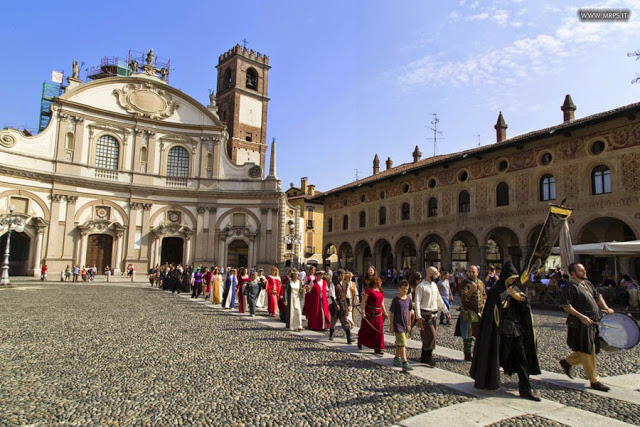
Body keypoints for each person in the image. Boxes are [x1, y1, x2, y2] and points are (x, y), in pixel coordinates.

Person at [470, 261, 542, 401]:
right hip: (500, 333)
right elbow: (493, 312)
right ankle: (487, 380)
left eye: (514, 278)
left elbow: (524, 307)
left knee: (522, 359)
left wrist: (517, 297)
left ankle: (525, 389)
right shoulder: (496, 290)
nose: (513, 281)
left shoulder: (515, 289)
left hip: (516, 331)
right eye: (511, 278)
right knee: (495, 358)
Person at [559, 263, 614, 392]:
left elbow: (598, 296)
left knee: (588, 349)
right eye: (581, 270)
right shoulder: (570, 287)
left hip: (593, 322)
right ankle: (594, 380)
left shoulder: (588, 284)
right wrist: (581, 316)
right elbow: (565, 305)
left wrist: (605, 308)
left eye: (584, 269)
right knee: (588, 351)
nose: (584, 272)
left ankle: (567, 362)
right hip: (580, 324)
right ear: (573, 273)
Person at [415, 267, 450, 366]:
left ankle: (424, 356)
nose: (437, 277)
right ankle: (428, 356)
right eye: (436, 275)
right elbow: (417, 302)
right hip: (425, 314)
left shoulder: (434, 285)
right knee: (432, 335)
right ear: (430, 273)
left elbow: (439, 299)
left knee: (428, 336)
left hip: (434, 314)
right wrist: (418, 316)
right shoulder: (421, 286)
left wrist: (446, 311)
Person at [455, 265, 486, 361]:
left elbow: (484, 295)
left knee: (479, 334)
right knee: (468, 335)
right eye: (469, 271)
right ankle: (467, 355)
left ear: (477, 273)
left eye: (473, 272)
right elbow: (463, 296)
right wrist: (471, 290)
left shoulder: (481, 283)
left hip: (479, 312)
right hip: (468, 312)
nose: (471, 273)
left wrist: (484, 303)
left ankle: (478, 353)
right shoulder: (464, 283)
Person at [358, 270, 388, 354]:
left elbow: (382, 303)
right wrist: (363, 312)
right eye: (379, 282)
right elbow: (363, 302)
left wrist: (385, 312)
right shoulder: (368, 290)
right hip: (369, 312)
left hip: (378, 313)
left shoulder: (380, 291)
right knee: (366, 329)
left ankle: (378, 347)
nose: (380, 284)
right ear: (375, 283)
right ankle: (360, 341)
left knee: (379, 330)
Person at [389, 280, 414, 371]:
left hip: (405, 323)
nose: (405, 290)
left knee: (400, 343)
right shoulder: (396, 299)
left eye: (406, 289)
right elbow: (392, 313)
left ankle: (396, 358)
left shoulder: (408, 299)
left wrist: (410, 324)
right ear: (399, 288)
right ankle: (405, 362)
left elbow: (409, 312)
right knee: (403, 343)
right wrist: (391, 325)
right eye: (403, 288)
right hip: (398, 324)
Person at [328, 269, 353, 343]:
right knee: (333, 320)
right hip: (336, 303)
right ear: (338, 275)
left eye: (343, 275)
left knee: (345, 320)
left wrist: (349, 304)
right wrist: (336, 304)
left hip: (343, 304)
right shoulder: (334, 283)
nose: (342, 276)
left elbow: (348, 295)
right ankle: (331, 334)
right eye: (341, 275)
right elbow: (332, 295)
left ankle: (349, 338)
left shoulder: (346, 283)